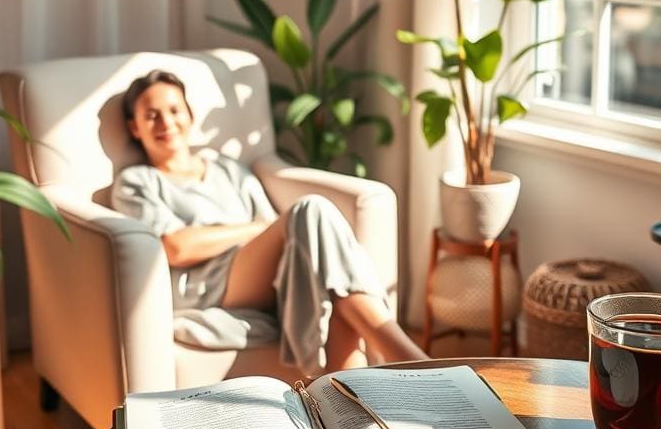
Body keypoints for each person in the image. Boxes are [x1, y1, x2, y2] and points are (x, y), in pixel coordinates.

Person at [111, 69, 427, 375]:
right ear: (135, 127)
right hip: (207, 283)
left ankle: (349, 408)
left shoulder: (228, 169)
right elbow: (176, 246)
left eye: (174, 110)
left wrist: (264, 229)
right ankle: (413, 361)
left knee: (333, 281)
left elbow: (272, 224)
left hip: (262, 273)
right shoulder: (137, 181)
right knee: (311, 209)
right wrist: (256, 230)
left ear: (189, 115)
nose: (166, 122)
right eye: (152, 115)